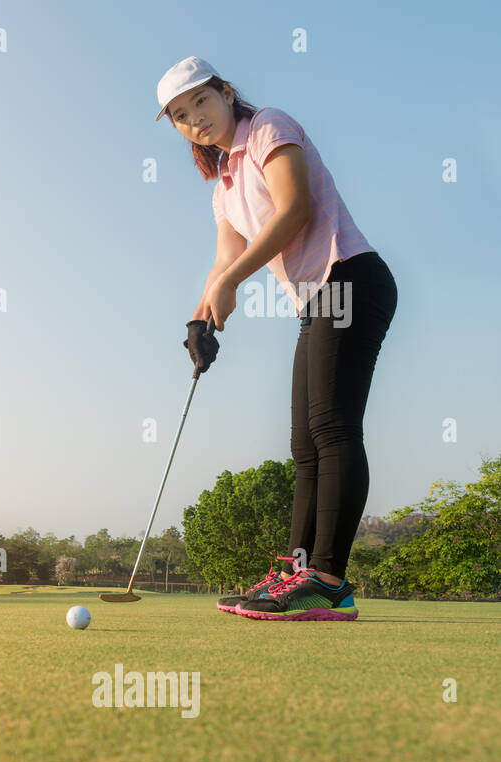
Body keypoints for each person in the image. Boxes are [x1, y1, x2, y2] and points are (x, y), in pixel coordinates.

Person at [156, 57, 398, 621]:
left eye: (201, 103)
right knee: (304, 444)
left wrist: (232, 283)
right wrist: (200, 320)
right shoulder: (223, 182)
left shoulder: (269, 125)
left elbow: (294, 211)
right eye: (180, 116)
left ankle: (330, 581)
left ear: (226, 92)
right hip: (317, 298)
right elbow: (227, 258)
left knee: (332, 429)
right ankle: (298, 573)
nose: (195, 119)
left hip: (350, 277)